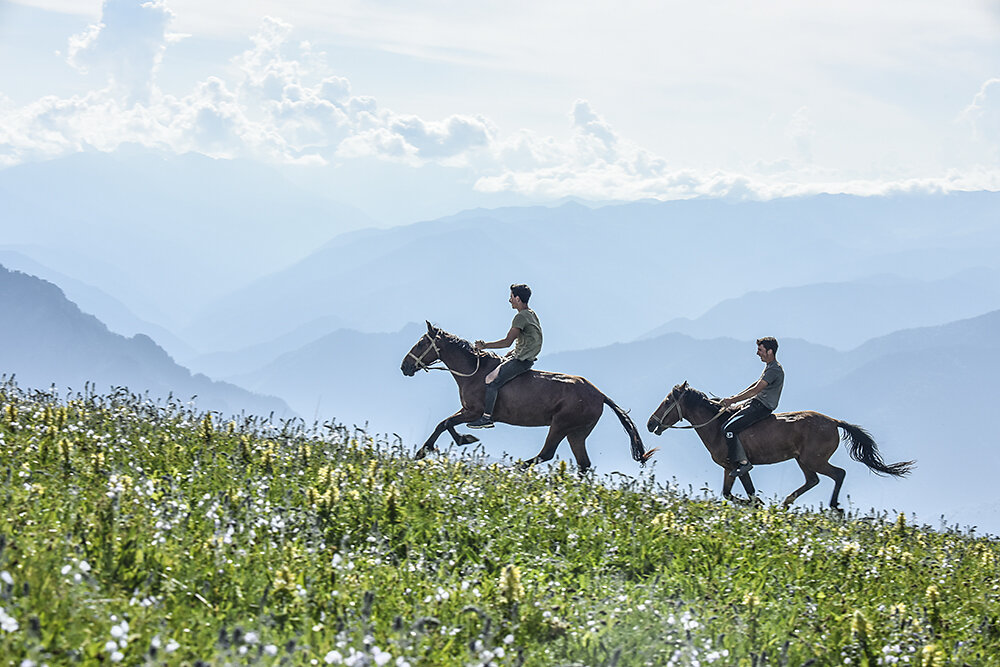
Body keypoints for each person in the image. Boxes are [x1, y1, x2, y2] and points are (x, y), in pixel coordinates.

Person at [467, 284, 543, 428]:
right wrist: (514, 352)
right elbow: (528, 338)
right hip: (524, 356)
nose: (510, 300)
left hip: (521, 361)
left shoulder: (520, 317)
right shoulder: (531, 314)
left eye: (511, 297)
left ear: (518, 298)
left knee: (490, 380)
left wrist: (485, 346)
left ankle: (487, 417)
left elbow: (507, 342)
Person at [720, 337, 784, 477]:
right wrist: (734, 399)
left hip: (762, 407)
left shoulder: (774, 370)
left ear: (770, 351)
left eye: (760, 350)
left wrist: (733, 400)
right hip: (755, 403)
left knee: (728, 429)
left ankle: (742, 462)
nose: (757, 353)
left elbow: (756, 390)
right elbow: (755, 386)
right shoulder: (770, 367)